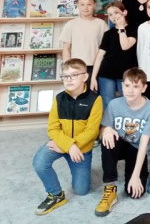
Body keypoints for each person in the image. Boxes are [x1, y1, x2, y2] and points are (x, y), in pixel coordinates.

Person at [32, 58, 102, 215]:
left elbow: (92, 132)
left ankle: (81, 169)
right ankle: (56, 195)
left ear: (85, 77)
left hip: (81, 149)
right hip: (61, 144)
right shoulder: (59, 99)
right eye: (65, 76)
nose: (68, 80)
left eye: (74, 75)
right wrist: (69, 146)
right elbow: (52, 128)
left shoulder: (95, 100)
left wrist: (72, 146)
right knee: (39, 162)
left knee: (81, 190)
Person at [96, 68, 150, 217]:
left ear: (144, 88)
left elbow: (144, 145)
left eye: (136, 86)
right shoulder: (114, 104)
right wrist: (106, 130)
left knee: (135, 193)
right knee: (107, 139)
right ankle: (110, 187)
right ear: (122, 86)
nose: (130, 90)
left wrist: (135, 177)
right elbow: (102, 132)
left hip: (136, 148)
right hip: (119, 144)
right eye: (127, 85)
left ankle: (139, 173)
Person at [91, 1, 137, 110]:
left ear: (124, 12)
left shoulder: (134, 29)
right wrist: (93, 78)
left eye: (116, 12)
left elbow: (125, 46)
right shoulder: (108, 34)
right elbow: (100, 56)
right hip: (106, 73)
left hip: (127, 75)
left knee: (128, 103)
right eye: (110, 14)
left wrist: (121, 27)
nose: (113, 17)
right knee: (108, 104)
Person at [59, 0, 107, 79]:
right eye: (82, 4)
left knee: (94, 88)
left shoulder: (101, 24)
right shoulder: (71, 24)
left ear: (94, 5)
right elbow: (66, 49)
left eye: (89, 4)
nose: (85, 7)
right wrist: (68, 68)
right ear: (77, 5)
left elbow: (106, 47)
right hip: (76, 67)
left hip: (96, 67)